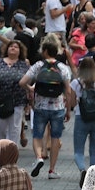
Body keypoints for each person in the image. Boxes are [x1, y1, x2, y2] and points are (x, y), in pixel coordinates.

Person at [19, 38, 73, 180]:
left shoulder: (38, 65)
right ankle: (52, 170)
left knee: (37, 135)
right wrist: (68, 110)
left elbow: (22, 82)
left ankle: (39, 157)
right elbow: (68, 90)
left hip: (40, 106)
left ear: (44, 51)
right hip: (58, 107)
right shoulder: (62, 68)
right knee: (55, 137)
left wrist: (30, 88)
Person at [0, 38, 31, 145]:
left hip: (17, 99)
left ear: (20, 51)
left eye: (16, 47)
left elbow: (28, 80)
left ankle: (11, 150)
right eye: (11, 46)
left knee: (14, 127)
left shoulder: (23, 64)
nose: (13, 48)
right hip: (1, 99)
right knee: (0, 125)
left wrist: (29, 96)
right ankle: (2, 146)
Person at [69, 56, 95, 187]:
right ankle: (93, 177)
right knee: (94, 150)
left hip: (81, 117)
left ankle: (82, 170)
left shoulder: (75, 83)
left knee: (78, 151)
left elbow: (72, 103)